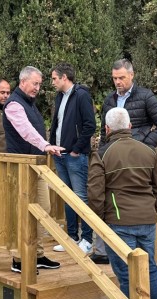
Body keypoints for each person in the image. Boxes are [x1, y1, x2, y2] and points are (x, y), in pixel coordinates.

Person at [88, 107, 157, 299]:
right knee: (150, 268)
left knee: (126, 275)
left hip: (119, 221)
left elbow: (95, 193)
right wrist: (152, 209)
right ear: (130, 126)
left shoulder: (102, 154)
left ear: (107, 129)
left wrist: (102, 218)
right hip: (146, 219)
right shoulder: (149, 151)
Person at [89, 58, 157, 264]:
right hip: (114, 157)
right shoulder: (109, 100)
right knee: (107, 195)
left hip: (136, 157)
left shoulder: (145, 97)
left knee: (141, 262)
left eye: (122, 78)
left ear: (132, 75)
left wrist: (145, 146)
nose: (118, 82)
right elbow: (104, 130)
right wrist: (103, 152)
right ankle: (102, 251)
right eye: (115, 78)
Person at [2, 66, 64, 273]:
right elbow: (26, 131)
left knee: (43, 210)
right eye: (34, 83)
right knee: (23, 213)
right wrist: (45, 145)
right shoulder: (13, 105)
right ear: (23, 82)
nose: (38, 88)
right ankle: (19, 259)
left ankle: (37, 255)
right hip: (20, 167)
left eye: (39, 84)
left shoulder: (30, 104)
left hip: (36, 166)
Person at [48, 62, 96, 255]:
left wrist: (76, 149)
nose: (52, 82)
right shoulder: (59, 96)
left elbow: (89, 125)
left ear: (64, 78)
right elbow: (57, 123)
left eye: (54, 78)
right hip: (60, 154)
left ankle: (87, 239)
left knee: (80, 197)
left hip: (75, 156)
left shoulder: (82, 95)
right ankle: (72, 238)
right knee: (67, 198)